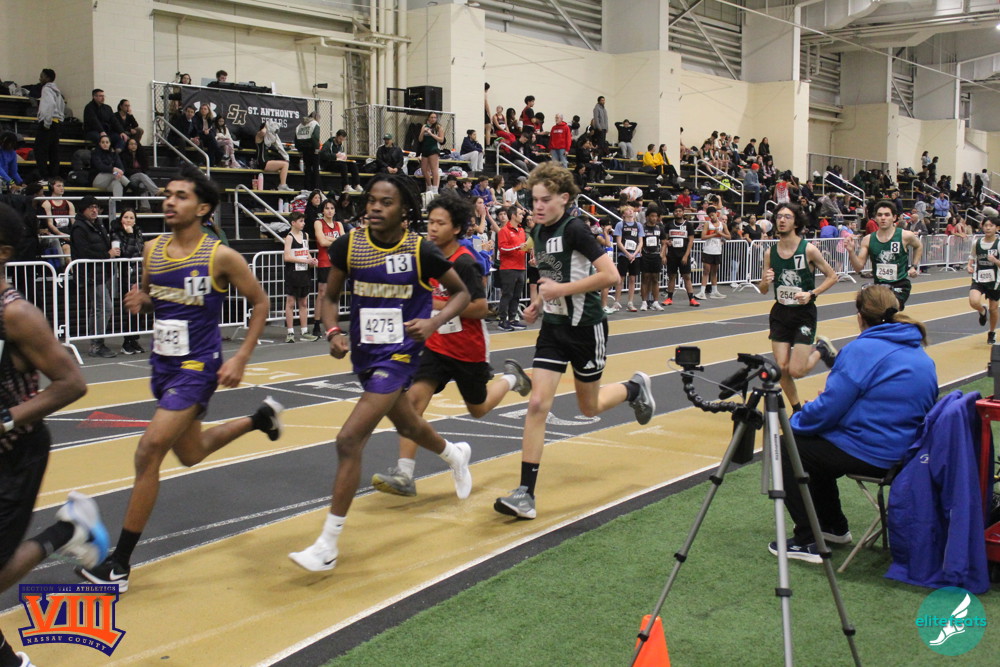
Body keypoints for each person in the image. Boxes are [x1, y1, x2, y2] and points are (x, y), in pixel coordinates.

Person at [77, 165, 280, 592]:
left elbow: (260, 302)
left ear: (203, 208)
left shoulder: (220, 256)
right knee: (190, 453)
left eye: (181, 196)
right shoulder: (152, 250)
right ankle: (258, 420)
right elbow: (156, 299)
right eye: (167, 194)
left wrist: (242, 356)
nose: (169, 201)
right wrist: (142, 300)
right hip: (163, 364)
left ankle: (119, 565)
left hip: (198, 366)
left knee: (149, 449)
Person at [288, 173, 473, 572]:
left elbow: (462, 292)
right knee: (409, 425)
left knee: (349, 438)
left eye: (385, 202)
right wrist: (333, 331)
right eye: (372, 199)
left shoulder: (420, 250)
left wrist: (433, 322)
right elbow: (330, 297)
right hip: (365, 355)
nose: (374, 206)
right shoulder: (350, 245)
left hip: (401, 356)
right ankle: (454, 454)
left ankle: (327, 545)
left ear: (405, 210)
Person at [493, 162, 655, 520]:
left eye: (545, 200)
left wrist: (562, 290)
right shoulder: (537, 232)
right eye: (534, 200)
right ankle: (525, 493)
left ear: (564, 198)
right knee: (538, 403)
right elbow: (547, 276)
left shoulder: (577, 229)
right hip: (553, 328)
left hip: (586, 328)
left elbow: (610, 275)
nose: (537, 206)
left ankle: (634, 389)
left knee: (589, 407)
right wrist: (538, 303)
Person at [0, 202, 111, 667]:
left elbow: (72, 383)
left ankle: (68, 530)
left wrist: (8, 419)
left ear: (3, 253)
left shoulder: (17, 315)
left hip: (16, 454)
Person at [371, 195, 532, 497]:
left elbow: (481, 308)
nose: (432, 228)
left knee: (478, 408)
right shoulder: (426, 258)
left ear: (456, 228)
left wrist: (435, 303)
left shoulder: (465, 262)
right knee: (412, 403)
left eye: (440, 223)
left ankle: (512, 379)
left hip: (467, 348)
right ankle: (404, 473)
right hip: (435, 345)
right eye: (430, 222)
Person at [771, 284, 937, 562]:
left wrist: (797, 419)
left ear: (860, 317)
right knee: (816, 448)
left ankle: (808, 538)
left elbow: (827, 411)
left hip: (878, 452)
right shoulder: (918, 351)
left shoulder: (862, 350)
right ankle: (832, 527)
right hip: (909, 451)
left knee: (788, 446)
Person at [757, 202, 839, 412]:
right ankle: (796, 410)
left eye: (787, 217)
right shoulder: (770, 253)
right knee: (781, 369)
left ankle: (821, 350)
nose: (782, 220)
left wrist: (812, 293)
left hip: (803, 313)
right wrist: (765, 281)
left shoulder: (808, 249)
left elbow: (832, 276)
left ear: (796, 223)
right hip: (780, 312)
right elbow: (763, 289)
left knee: (796, 370)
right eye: (779, 217)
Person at [845, 199, 923, 309]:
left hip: (899, 285)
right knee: (867, 310)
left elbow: (918, 246)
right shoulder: (868, 239)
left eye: (887, 215)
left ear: (894, 217)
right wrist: (851, 252)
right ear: (875, 218)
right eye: (880, 215)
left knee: (888, 308)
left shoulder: (905, 236)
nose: (883, 218)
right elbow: (858, 268)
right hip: (879, 286)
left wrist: (914, 266)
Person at [70, 196, 119, 358]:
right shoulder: (79, 228)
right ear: (83, 209)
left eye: (96, 207)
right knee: (104, 307)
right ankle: (97, 344)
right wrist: (107, 255)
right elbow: (84, 252)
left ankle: (96, 343)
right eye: (90, 207)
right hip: (91, 273)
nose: (94, 210)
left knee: (98, 308)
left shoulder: (98, 224)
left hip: (102, 272)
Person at [110, 208, 146, 355]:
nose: (129, 220)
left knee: (140, 307)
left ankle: (134, 338)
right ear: (121, 219)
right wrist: (130, 235)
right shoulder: (116, 233)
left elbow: (141, 249)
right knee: (130, 307)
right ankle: (127, 341)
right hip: (126, 274)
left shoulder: (138, 232)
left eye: (132, 218)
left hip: (139, 273)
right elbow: (126, 253)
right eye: (126, 217)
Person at [282, 212, 320, 343]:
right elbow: (287, 257)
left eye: (304, 221)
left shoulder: (305, 235)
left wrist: (312, 260)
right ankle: (290, 332)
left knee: (303, 302)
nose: (303, 223)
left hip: (304, 273)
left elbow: (306, 252)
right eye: (301, 221)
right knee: (291, 303)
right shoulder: (289, 237)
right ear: (293, 223)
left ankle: (304, 330)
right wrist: (304, 261)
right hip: (293, 273)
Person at [312, 199, 347, 338]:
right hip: (324, 261)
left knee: (335, 294)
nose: (330, 211)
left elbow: (344, 241)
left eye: (332, 208)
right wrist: (335, 240)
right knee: (322, 294)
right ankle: (316, 324)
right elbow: (321, 242)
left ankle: (334, 326)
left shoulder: (339, 224)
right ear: (323, 210)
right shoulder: (318, 223)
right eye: (327, 208)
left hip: (337, 262)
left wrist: (329, 239)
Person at [967, 214, 1000, 345]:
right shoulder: (977, 243)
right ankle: (982, 311)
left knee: (993, 309)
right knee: (973, 301)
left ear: (997, 228)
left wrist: (995, 261)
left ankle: (991, 332)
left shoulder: (998, 244)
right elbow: (972, 256)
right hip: (979, 278)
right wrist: (969, 266)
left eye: (991, 226)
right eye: (985, 225)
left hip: (995, 281)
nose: (988, 228)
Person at [496, 204, 528, 330]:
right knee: (507, 294)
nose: (522, 216)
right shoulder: (504, 230)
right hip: (508, 267)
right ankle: (502, 320)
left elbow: (522, 247)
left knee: (516, 295)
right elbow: (502, 248)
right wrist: (518, 247)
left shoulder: (521, 230)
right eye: (520, 214)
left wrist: (528, 249)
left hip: (521, 267)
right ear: (513, 216)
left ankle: (512, 319)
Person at [662, 207, 700, 307]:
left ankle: (691, 299)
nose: (678, 213)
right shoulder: (669, 225)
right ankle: (669, 298)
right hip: (672, 255)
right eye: (676, 211)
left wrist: (686, 255)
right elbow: (665, 241)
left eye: (680, 211)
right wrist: (664, 255)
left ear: (683, 212)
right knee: (672, 276)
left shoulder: (688, 225)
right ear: (673, 213)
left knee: (687, 276)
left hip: (683, 255)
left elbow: (691, 241)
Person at [34, 69, 65, 182]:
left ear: (47, 78)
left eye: (42, 76)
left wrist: (47, 123)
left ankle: (44, 176)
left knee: (40, 151)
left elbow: (50, 104)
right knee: (53, 151)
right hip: (56, 123)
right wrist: (60, 118)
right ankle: (54, 176)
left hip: (48, 123)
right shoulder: (57, 90)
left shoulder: (46, 89)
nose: (40, 78)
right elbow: (62, 105)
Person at [612, 205, 643, 311]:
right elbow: (619, 242)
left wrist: (634, 254)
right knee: (620, 279)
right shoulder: (620, 224)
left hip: (635, 255)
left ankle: (630, 302)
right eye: (628, 210)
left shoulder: (638, 225)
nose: (630, 212)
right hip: (624, 255)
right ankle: (616, 302)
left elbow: (640, 242)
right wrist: (627, 254)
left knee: (632, 279)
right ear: (623, 214)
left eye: (631, 210)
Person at [696, 206, 730, 300]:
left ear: (716, 214)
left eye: (713, 215)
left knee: (714, 272)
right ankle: (702, 292)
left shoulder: (722, 225)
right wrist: (715, 234)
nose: (712, 217)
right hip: (708, 250)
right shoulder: (707, 224)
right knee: (706, 271)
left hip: (717, 251)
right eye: (710, 216)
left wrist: (720, 233)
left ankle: (714, 292)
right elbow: (703, 237)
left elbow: (729, 236)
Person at [40, 179, 73, 262]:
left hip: (68, 232)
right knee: (66, 247)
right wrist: (61, 234)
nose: (61, 188)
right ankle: (70, 269)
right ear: (51, 187)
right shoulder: (47, 203)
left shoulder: (69, 204)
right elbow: (50, 224)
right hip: (55, 233)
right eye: (58, 186)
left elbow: (74, 222)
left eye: (62, 186)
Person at [639, 206, 666, 310]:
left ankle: (655, 301)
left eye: (656, 216)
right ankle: (644, 302)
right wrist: (640, 252)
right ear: (647, 217)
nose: (654, 218)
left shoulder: (660, 228)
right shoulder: (642, 228)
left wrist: (662, 254)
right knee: (645, 278)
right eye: (652, 216)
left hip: (656, 255)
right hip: (645, 255)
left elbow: (664, 242)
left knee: (655, 278)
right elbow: (639, 241)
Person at [320, 129, 362, 194]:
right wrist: (335, 155)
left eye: (342, 140)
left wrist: (344, 157)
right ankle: (346, 186)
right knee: (343, 164)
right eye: (340, 139)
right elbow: (323, 154)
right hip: (328, 164)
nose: (341, 141)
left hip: (338, 163)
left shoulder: (341, 146)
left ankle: (357, 185)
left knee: (353, 164)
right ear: (336, 136)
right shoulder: (328, 144)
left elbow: (341, 155)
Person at [254, 121, 292, 191]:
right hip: (262, 162)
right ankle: (282, 185)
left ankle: (282, 184)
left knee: (285, 162)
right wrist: (266, 125)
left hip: (266, 161)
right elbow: (263, 132)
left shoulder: (267, 139)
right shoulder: (259, 136)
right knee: (285, 164)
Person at [418, 112, 446, 197]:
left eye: (435, 117)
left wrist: (431, 134)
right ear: (428, 118)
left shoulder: (438, 127)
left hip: (433, 149)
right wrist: (423, 131)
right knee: (424, 169)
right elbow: (420, 139)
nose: (433, 119)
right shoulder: (424, 126)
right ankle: (429, 186)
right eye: (431, 117)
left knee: (434, 169)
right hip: (425, 149)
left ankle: (435, 188)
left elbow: (441, 140)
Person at [295, 111, 322, 191]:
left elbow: (296, 139)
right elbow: (315, 137)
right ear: (316, 117)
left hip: (304, 150)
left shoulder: (300, 125)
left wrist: (300, 149)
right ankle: (316, 188)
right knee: (315, 170)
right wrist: (317, 148)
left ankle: (307, 188)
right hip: (313, 149)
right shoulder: (315, 124)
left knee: (307, 169)